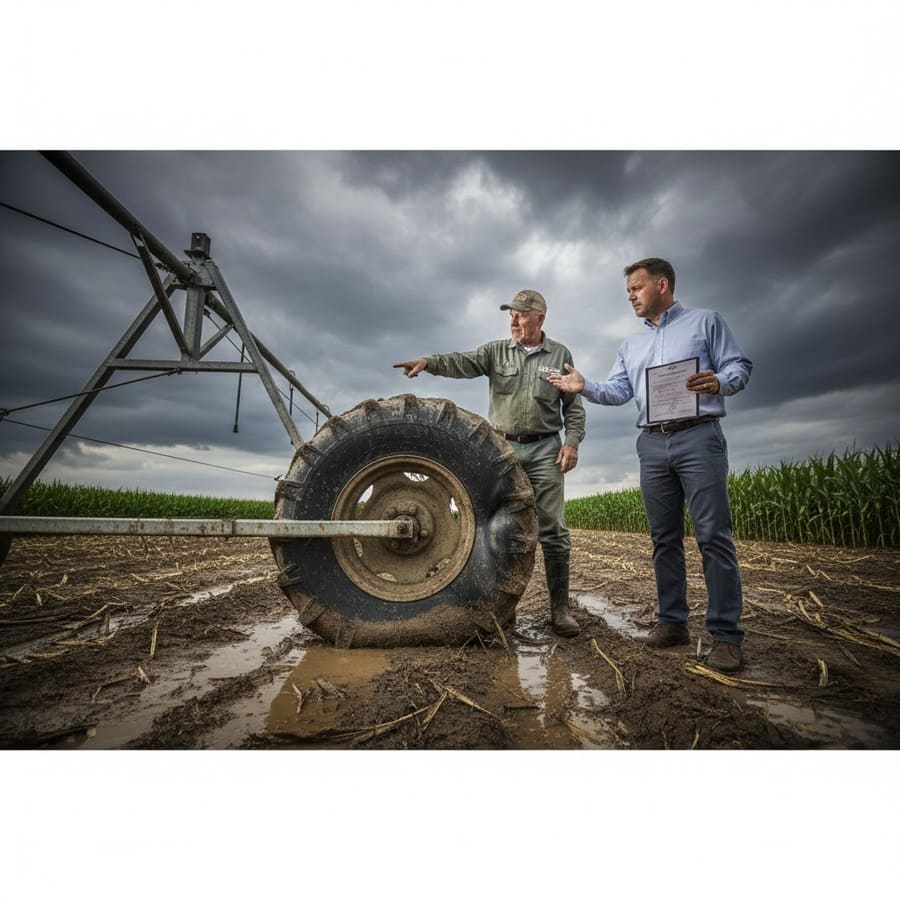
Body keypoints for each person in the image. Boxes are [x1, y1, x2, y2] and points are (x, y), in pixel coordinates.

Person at [548, 258, 752, 672]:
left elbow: (739, 366)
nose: (631, 297)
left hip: (698, 435)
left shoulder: (705, 322)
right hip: (652, 443)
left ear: (662, 284)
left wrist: (719, 381)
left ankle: (726, 636)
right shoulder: (631, 344)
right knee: (664, 538)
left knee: (713, 536)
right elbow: (618, 391)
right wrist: (584, 387)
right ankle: (673, 623)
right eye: (628, 291)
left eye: (636, 288)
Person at [394, 289, 586, 637]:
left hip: (545, 449)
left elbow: (574, 408)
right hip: (502, 451)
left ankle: (560, 611)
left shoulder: (560, 355)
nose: (514, 319)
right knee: (496, 527)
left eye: (521, 314)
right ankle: (501, 611)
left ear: (540, 318)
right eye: (511, 313)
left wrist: (571, 442)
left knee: (553, 530)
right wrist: (429, 363)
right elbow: (463, 361)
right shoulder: (496, 352)